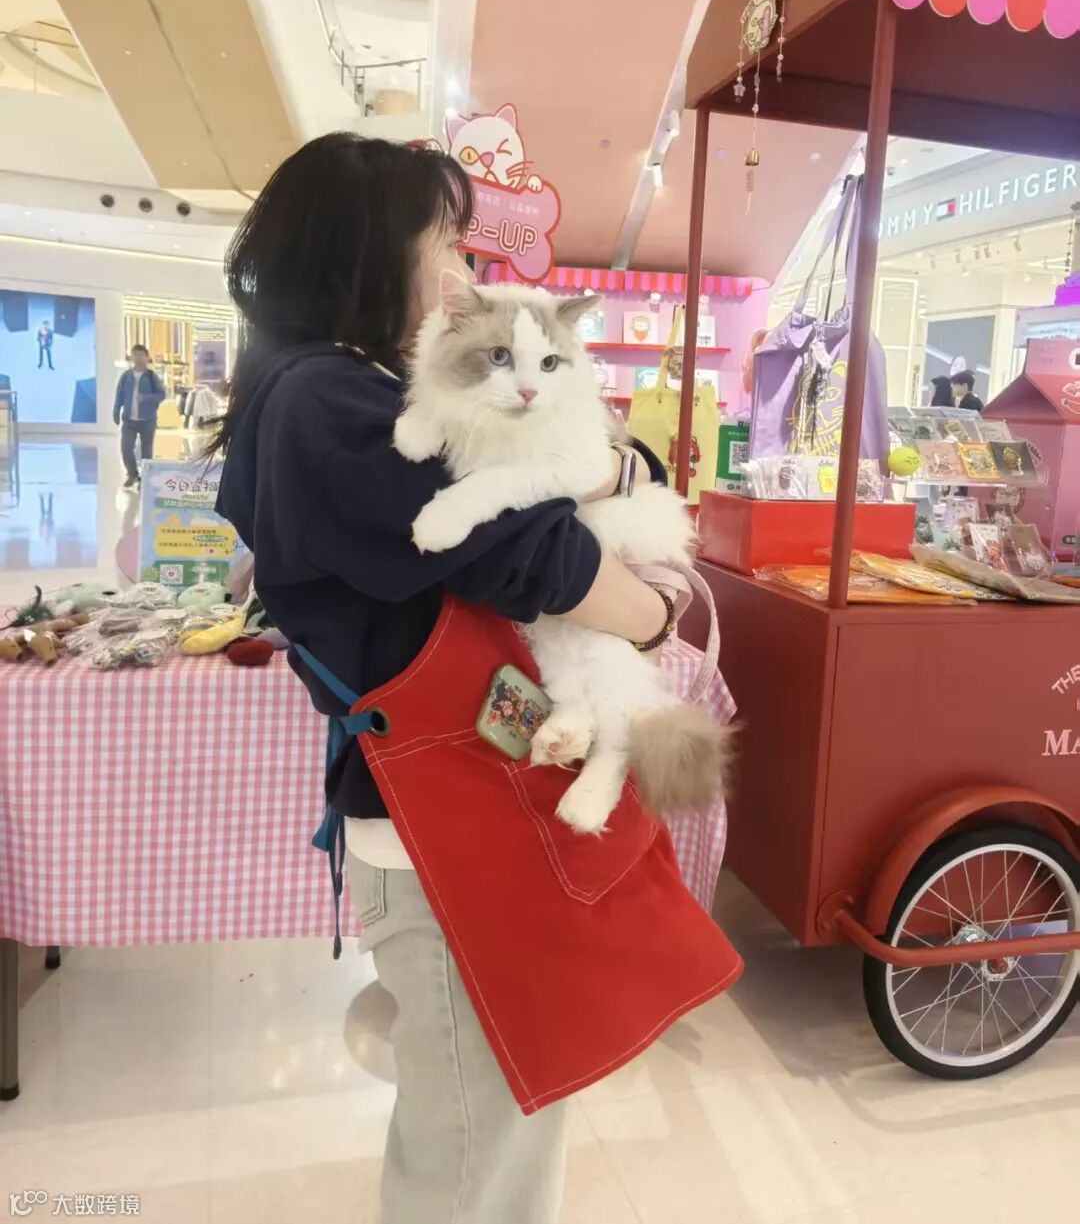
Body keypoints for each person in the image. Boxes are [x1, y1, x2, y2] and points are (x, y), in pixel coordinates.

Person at [211, 135, 737, 1224]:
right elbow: (530, 553)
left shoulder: (321, 388)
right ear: (372, 248)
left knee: (496, 1118)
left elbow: (535, 500)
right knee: (472, 1154)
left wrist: (613, 470)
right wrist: (652, 618)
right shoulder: (328, 400)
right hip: (442, 822)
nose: (457, 264)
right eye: (443, 237)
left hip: (451, 803)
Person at [113, 344, 166, 487]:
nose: (138, 357)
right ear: (131, 357)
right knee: (126, 448)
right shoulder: (126, 376)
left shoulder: (152, 376)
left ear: (147, 357)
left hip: (147, 420)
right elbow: (119, 395)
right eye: (135, 354)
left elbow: (162, 395)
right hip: (129, 420)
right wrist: (116, 412)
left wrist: (146, 398)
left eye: (142, 355)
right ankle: (132, 475)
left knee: (146, 452)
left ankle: (145, 479)